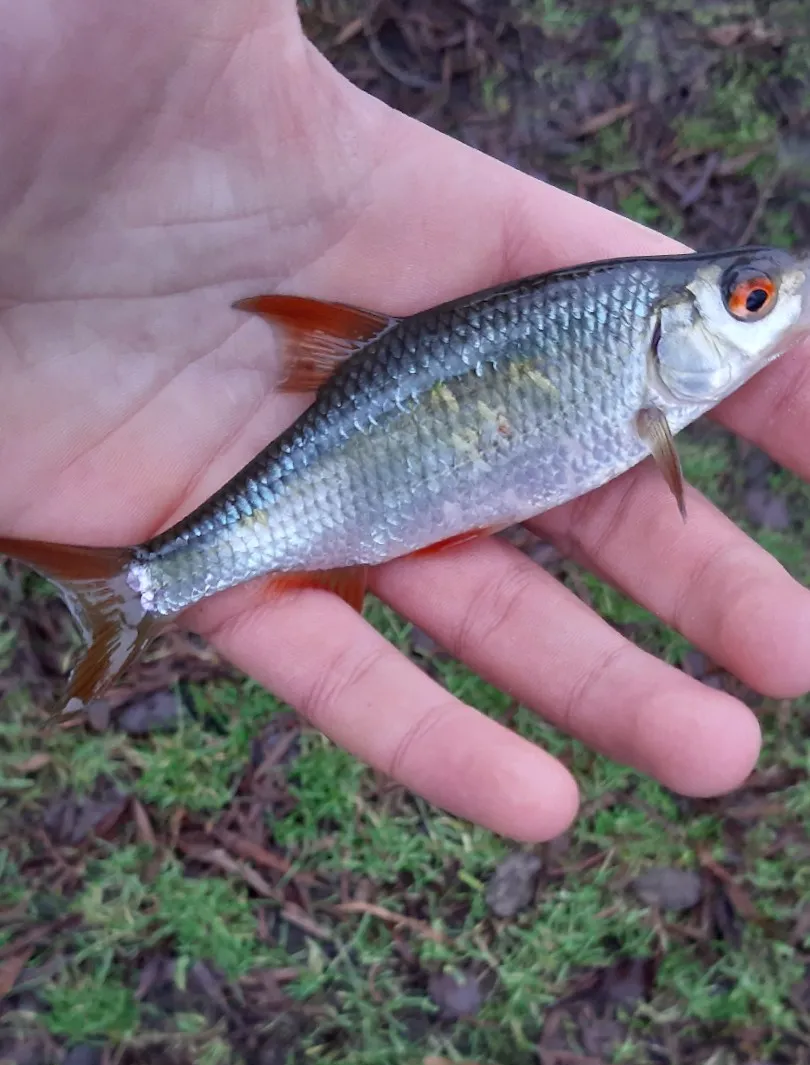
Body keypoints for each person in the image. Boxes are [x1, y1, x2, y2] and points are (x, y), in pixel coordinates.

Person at [1, 0, 808, 842]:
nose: (776, 305)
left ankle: (140, 586)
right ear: (667, 329)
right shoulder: (638, 370)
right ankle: (147, 581)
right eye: (751, 300)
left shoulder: (640, 367)